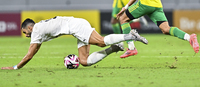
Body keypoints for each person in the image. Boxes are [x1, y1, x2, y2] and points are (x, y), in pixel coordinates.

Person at [1, 16, 148, 70]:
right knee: (84, 61)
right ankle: (115, 47)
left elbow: (29, 55)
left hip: (76, 26)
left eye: (25, 32)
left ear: (30, 28)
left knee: (102, 41)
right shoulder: (39, 29)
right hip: (76, 26)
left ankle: (130, 35)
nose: (26, 35)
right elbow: (36, 49)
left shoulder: (37, 30)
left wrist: (15, 67)